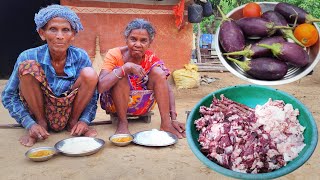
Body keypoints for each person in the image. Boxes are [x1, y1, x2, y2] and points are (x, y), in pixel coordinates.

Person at [1, 4, 99, 147]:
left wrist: (84, 120)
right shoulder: (28, 55)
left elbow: (92, 94)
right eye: (53, 29)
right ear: (42, 33)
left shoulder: (80, 56)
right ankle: (41, 124)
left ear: (73, 35)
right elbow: (8, 96)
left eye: (66, 30)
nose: (60, 36)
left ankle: (73, 123)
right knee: (28, 67)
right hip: (37, 113)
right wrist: (29, 124)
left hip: (69, 112)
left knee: (90, 74)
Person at [98, 18, 186, 138]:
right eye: (133, 39)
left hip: (143, 105)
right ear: (126, 39)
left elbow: (166, 87)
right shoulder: (114, 54)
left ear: (150, 42)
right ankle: (123, 123)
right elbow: (101, 87)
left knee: (158, 73)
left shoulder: (151, 59)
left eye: (143, 40)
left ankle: (165, 124)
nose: (137, 45)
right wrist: (125, 68)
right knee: (120, 74)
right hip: (114, 104)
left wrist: (173, 119)